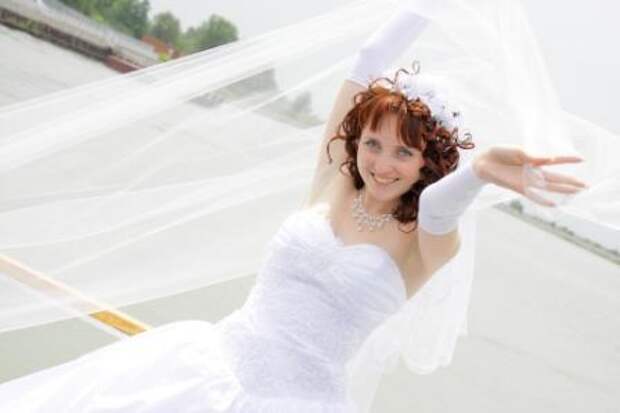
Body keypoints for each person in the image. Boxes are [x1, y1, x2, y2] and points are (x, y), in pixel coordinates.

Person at [0, 5, 588, 413]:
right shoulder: (333, 180)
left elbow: (438, 209)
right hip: (206, 369)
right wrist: (428, 6)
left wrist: (481, 173)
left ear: (426, 164)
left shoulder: (425, 244)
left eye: (403, 153)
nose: (382, 163)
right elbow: (368, 56)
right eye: (373, 143)